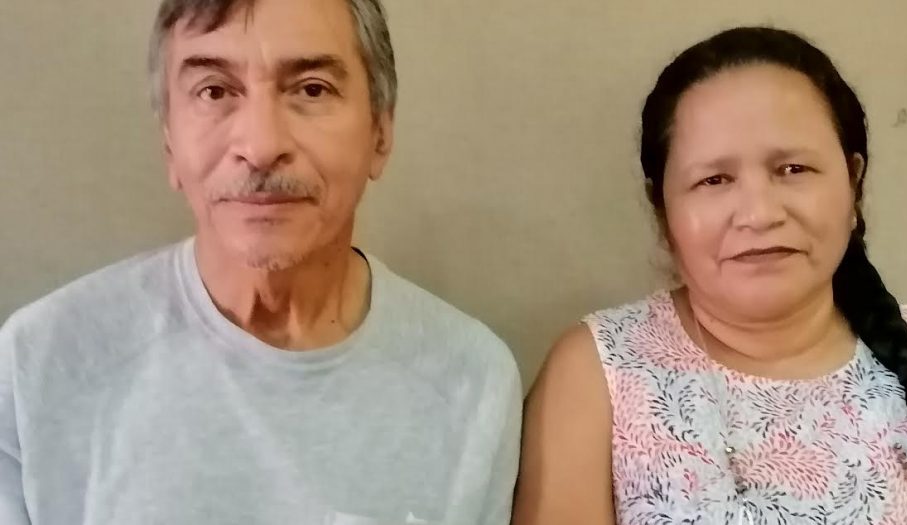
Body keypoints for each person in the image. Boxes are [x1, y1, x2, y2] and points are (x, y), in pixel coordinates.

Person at [0, 0, 521, 523]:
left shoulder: (470, 381)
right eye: (214, 91)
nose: (262, 146)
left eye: (312, 89)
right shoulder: (39, 366)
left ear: (380, 133)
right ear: (169, 144)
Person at [514, 26, 907, 525]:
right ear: (664, 211)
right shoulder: (597, 374)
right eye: (714, 180)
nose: (759, 213)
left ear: (853, 184)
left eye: (793, 169)